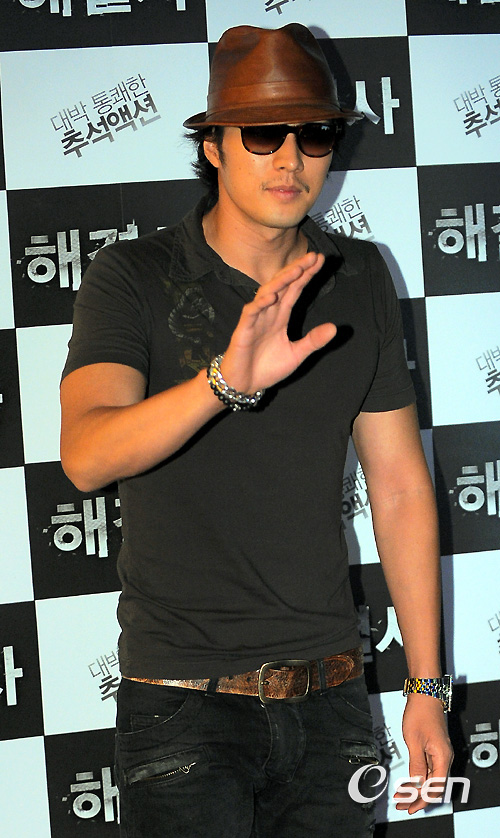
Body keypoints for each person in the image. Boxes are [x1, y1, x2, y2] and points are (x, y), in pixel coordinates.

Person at [60, 23, 453, 838]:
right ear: (213, 147)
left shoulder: (359, 276)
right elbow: (87, 456)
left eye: (315, 134)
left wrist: (426, 686)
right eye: (264, 134)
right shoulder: (133, 276)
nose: (292, 158)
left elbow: (399, 486)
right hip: (185, 711)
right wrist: (224, 383)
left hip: (333, 704)